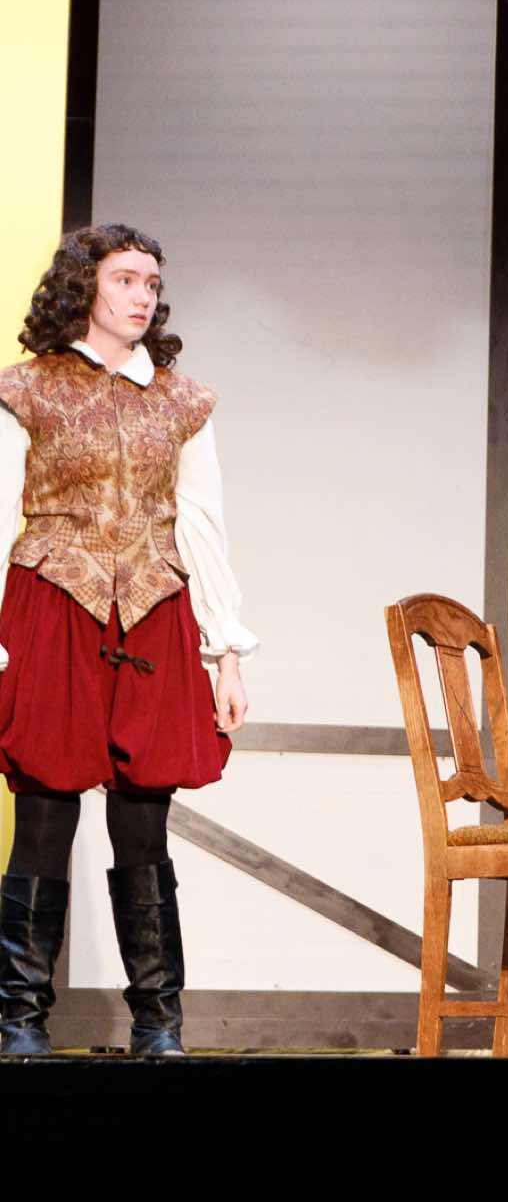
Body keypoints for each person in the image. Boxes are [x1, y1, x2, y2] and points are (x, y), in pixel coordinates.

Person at [0, 223, 256, 1056]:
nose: (142, 295)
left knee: (144, 820)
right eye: (124, 279)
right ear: (84, 286)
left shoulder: (183, 400)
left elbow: (203, 526)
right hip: (53, 603)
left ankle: (159, 1022)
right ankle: (19, 1020)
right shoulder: (27, 388)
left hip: (152, 610)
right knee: (44, 811)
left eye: (151, 282)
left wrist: (226, 653)